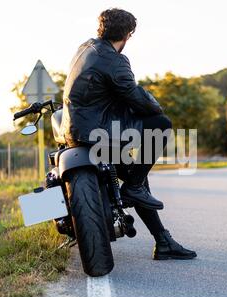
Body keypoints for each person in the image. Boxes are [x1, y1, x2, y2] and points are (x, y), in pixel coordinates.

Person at [62, 8, 196, 260]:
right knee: (161, 123)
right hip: (98, 133)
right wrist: (155, 105)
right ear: (128, 35)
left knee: (136, 174)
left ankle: (163, 240)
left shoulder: (85, 47)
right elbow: (136, 97)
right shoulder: (116, 60)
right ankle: (136, 191)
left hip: (74, 131)